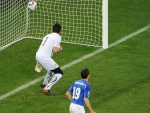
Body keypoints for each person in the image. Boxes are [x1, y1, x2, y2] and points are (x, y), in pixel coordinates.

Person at [35, 23, 63, 96]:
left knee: (51, 69)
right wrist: (60, 49)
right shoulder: (58, 37)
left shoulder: (47, 35)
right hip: (44, 57)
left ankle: (44, 84)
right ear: (60, 30)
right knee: (59, 72)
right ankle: (46, 89)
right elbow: (55, 50)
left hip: (38, 55)